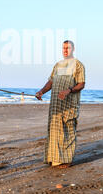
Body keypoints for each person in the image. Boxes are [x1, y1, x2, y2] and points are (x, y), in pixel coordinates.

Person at [35, 40, 85, 168]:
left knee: (67, 130)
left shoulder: (78, 65)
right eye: (63, 48)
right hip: (56, 105)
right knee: (54, 130)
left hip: (69, 105)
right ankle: (54, 159)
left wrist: (69, 90)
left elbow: (81, 84)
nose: (65, 50)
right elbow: (51, 82)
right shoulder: (58, 65)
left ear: (73, 49)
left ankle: (66, 160)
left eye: (68, 48)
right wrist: (41, 91)